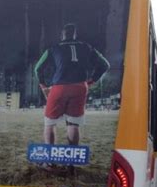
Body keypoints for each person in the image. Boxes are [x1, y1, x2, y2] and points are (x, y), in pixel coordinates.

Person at [34, 23, 110, 152]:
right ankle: (71, 162)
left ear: (62, 35)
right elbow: (105, 65)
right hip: (80, 87)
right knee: (74, 124)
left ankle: (49, 160)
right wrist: (92, 80)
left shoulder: (54, 48)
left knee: (49, 123)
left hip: (60, 87)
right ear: (75, 35)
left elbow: (37, 69)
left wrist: (43, 86)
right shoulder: (87, 47)